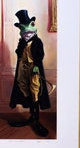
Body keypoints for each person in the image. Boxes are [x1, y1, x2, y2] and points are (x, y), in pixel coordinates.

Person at [8, 9, 56, 137]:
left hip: (34, 69)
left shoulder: (37, 41)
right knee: (23, 86)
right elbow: (18, 53)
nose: (26, 34)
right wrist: (21, 48)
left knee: (35, 90)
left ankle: (36, 118)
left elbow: (40, 55)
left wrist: (36, 67)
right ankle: (31, 115)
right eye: (23, 31)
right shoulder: (22, 41)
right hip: (23, 69)